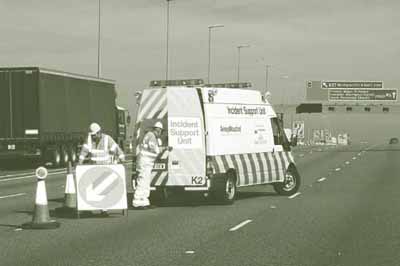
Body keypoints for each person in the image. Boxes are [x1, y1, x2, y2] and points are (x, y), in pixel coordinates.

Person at [132, 121, 164, 209]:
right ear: (158, 130)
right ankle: (137, 201)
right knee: (142, 181)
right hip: (145, 162)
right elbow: (154, 148)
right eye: (161, 131)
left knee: (145, 182)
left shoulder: (150, 135)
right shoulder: (151, 136)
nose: (160, 134)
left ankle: (144, 202)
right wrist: (161, 149)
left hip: (146, 162)